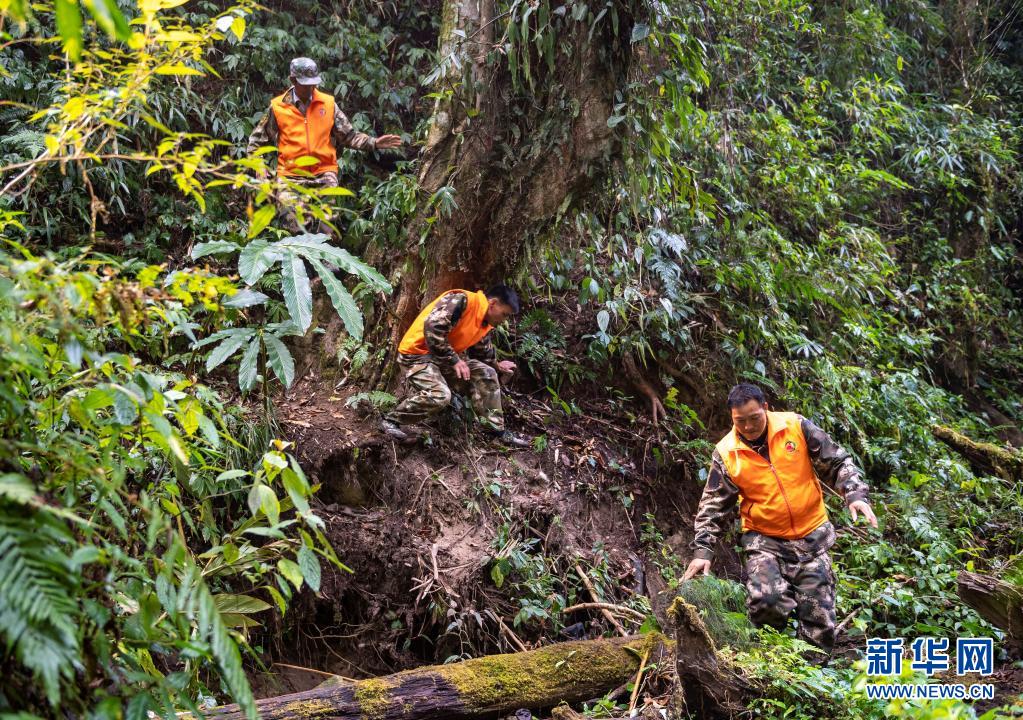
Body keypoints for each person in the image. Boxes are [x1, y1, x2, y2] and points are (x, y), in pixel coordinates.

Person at [682, 383, 878, 655]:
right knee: (767, 602)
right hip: (765, 540)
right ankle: (770, 660)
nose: (748, 426)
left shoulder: (795, 426)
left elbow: (836, 460)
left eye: (754, 418)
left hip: (811, 534)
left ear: (765, 408)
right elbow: (713, 505)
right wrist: (703, 550)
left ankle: (812, 672)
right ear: (732, 417)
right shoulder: (727, 452)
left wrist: (854, 494)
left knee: (819, 621)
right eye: (740, 421)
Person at [246, 57, 402, 232]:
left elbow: (348, 136)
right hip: (290, 175)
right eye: (306, 84)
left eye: (313, 83)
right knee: (293, 226)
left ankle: (327, 246)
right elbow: (255, 142)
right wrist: (259, 166)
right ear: (293, 80)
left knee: (327, 229)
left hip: (324, 172)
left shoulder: (328, 104)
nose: (311, 88)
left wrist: (374, 142)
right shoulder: (278, 107)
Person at [381, 285, 530, 448]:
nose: (504, 320)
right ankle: (391, 420)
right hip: (416, 355)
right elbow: (432, 328)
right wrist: (454, 360)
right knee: (440, 395)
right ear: (493, 303)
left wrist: (497, 365)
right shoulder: (462, 301)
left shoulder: (484, 320)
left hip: (443, 359)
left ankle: (496, 431)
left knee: (487, 373)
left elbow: (481, 349)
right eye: (505, 314)